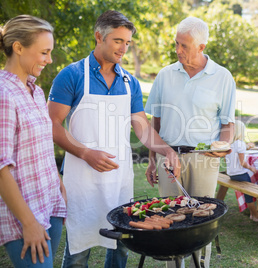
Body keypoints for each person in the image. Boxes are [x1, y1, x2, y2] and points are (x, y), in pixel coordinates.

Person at [47, 10, 180, 268]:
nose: (124, 48)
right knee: (79, 250)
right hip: (82, 179)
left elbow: (141, 127)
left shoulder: (130, 82)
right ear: (99, 36)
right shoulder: (72, 75)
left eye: (127, 42)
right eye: (118, 40)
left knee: (121, 244)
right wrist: (86, 153)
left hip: (119, 178)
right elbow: (51, 124)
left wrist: (167, 150)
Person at [144, 17, 236, 268]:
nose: (178, 50)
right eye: (176, 43)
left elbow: (228, 123)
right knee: (171, 218)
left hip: (204, 159)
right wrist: (152, 160)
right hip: (168, 156)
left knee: (202, 219)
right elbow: (155, 123)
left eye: (184, 45)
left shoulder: (223, 77)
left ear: (201, 47)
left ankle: (201, 265)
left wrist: (222, 147)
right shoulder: (164, 75)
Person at [0, 15, 67, 267]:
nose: (49, 60)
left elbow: (39, 145)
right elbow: (0, 166)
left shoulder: (36, 91)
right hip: (24, 216)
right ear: (18, 48)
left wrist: (58, 182)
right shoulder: (3, 94)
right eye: (44, 52)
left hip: (50, 201)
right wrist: (28, 223)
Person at [225, 121, 258, 222]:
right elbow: (242, 163)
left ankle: (253, 213)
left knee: (248, 189)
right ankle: (255, 215)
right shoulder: (240, 144)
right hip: (240, 175)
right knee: (249, 193)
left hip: (232, 174)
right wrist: (251, 168)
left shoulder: (229, 144)